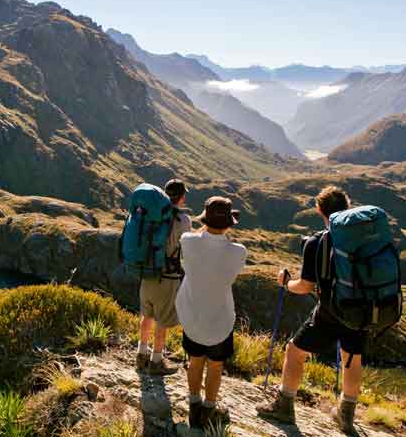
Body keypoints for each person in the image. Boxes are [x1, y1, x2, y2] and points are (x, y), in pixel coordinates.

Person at [256, 185, 364, 435]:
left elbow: (305, 287)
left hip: (331, 310)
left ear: (319, 210)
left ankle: (284, 405)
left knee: (294, 351)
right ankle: (346, 416)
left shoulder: (317, 242)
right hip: (361, 309)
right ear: (347, 207)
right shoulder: (361, 239)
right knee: (352, 357)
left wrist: (285, 283)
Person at [175, 196, 246, 429]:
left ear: (204, 220)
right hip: (220, 319)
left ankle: (194, 405)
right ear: (229, 224)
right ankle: (208, 408)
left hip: (193, 317)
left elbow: (191, 238)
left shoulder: (188, 241)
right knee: (215, 366)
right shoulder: (238, 252)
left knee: (195, 362)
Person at [136, 179, 192, 376]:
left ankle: (141, 354)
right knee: (162, 319)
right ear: (181, 197)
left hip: (147, 272)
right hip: (167, 277)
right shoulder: (183, 220)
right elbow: (186, 250)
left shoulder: (151, 213)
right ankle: (157, 361)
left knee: (147, 314)